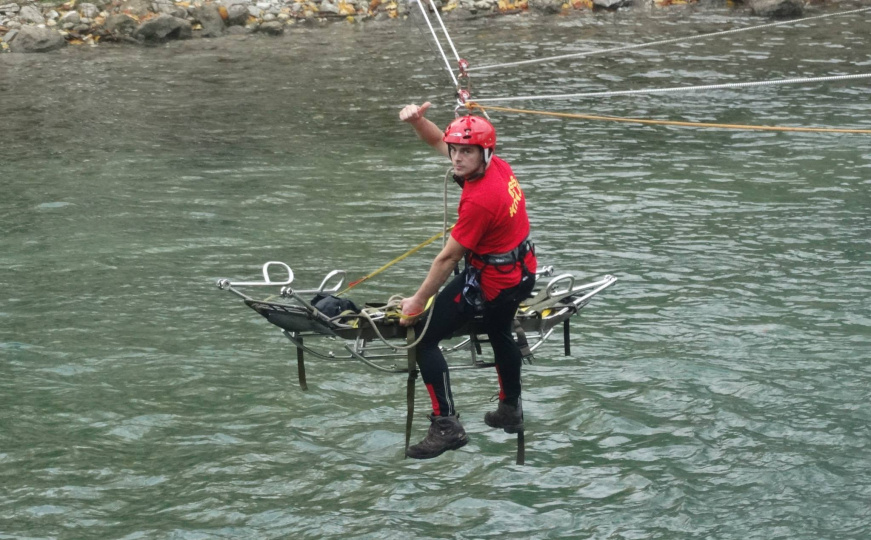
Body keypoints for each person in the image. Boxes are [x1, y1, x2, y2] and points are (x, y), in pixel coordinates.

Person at [398, 102, 537, 459]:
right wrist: (418, 122)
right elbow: (438, 142)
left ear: (483, 153)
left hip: (495, 282)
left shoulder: (480, 201)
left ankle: (447, 426)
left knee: (425, 338)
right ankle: (510, 407)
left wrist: (416, 302)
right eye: (455, 150)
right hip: (521, 273)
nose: (456, 159)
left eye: (466, 152)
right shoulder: (497, 166)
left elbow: (447, 259)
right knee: (499, 330)